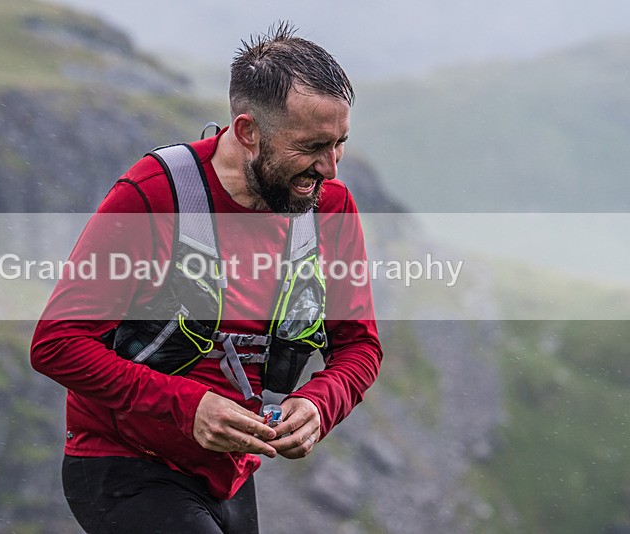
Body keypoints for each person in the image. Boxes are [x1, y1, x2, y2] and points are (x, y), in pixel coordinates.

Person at [31, 22, 382, 534]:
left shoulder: (330, 208)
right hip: (123, 467)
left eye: (340, 143)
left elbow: (360, 346)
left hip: (232, 479)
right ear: (247, 132)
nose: (330, 168)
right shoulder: (151, 197)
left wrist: (318, 404)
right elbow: (56, 344)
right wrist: (187, 406)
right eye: (311, 147)